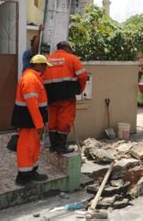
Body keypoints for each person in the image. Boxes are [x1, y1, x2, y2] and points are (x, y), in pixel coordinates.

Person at [11, 54, 52, 186]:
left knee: (33, 147)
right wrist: (39, 124)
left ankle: (31, 171)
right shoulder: (30, 79)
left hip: (31, 121)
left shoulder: (34, 78)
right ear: (38, 65)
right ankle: (23, 177)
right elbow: (32, 105)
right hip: (28, 120)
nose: (46, 69)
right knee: (26, 148)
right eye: (44, 66)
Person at [43, 41, 87, 154]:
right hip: (67, 95)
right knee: (65, 119)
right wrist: (80, 90)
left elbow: (41, 77)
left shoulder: (47, 59)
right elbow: (82, 76)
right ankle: (61, 147)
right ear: (67, 48)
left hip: (51, 96)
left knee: (52, 120)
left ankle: (53, 146)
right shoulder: (72, 58)